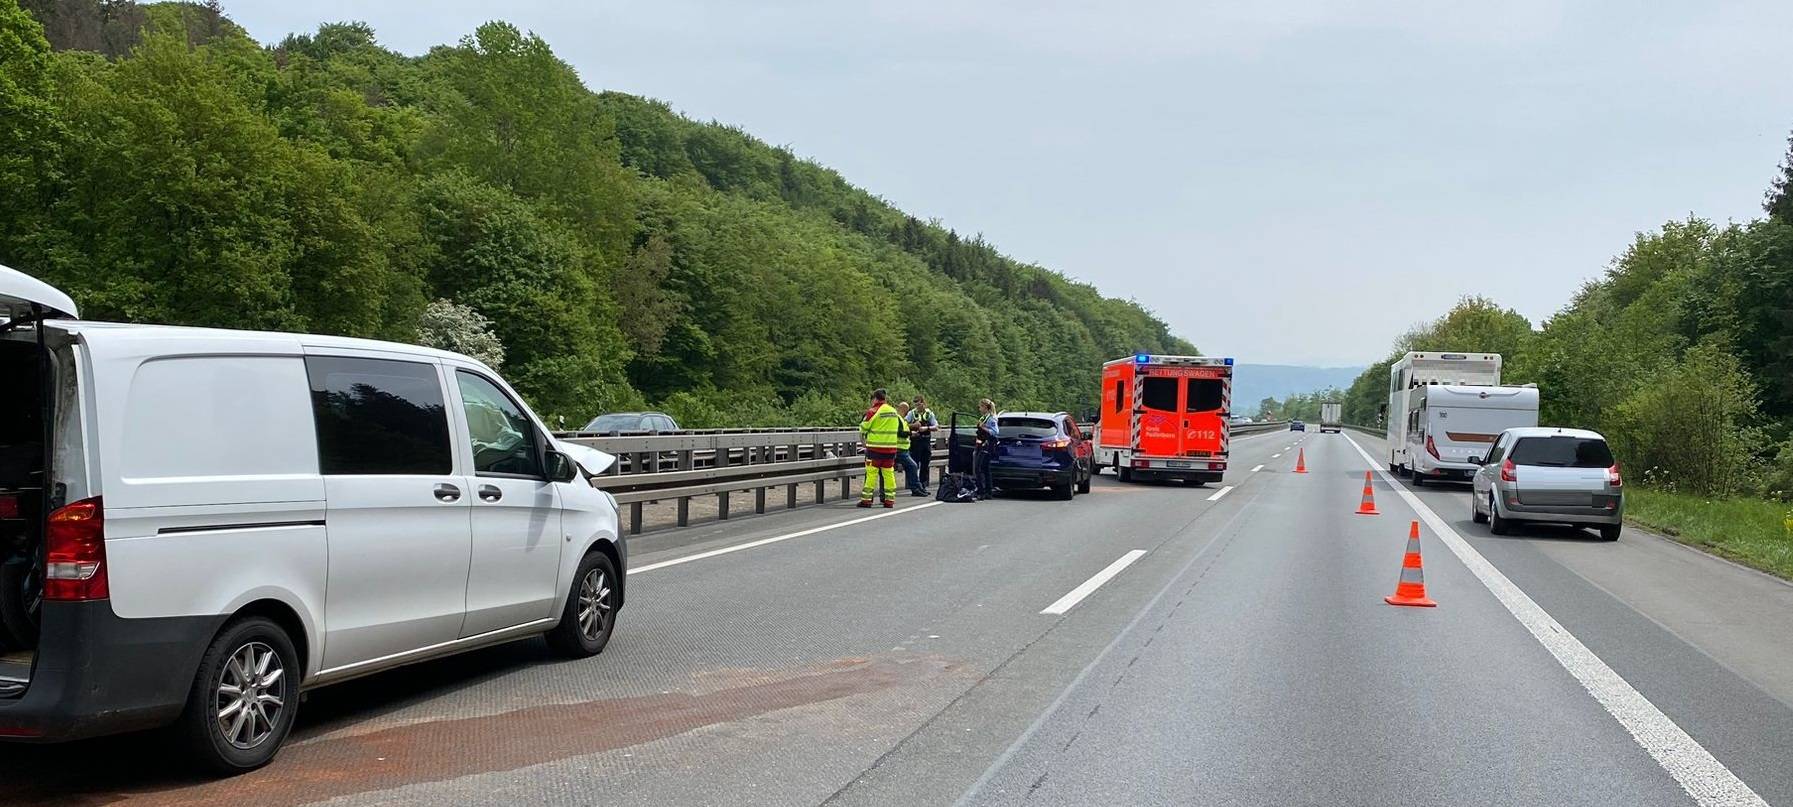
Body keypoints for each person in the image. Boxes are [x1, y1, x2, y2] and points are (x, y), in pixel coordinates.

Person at [858, 388, 904, 508]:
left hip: (875, 449)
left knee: (871, 474)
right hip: (890, 449)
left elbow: (863, 427)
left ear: (875, 399)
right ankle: (889, 500)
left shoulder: (873, 411)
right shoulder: (893, 411)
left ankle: (866, 500)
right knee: (889, 474)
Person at [907, 395, 939, 495]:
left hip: (926, 440)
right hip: (915, 441)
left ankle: (923, 486)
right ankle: (915, 487)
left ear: (923, 403)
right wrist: (914, 426)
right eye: (916, 403)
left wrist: (927, 428)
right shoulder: (912, 413)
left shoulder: (929, 413)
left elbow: (936, 426)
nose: (917, 405)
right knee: (914, 464)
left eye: (919, 403)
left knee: (925, 464)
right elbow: (904, 424)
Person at [894, 402, 924, 497]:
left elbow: (904, 429)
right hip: (899, 449)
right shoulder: (897, 418)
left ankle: (918, 488)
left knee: (911, 467)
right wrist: (911, 434)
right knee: (913, 466)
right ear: (903, 409)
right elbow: (899, 432)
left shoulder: (901, 419)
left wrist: (911, 429)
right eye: (906, 411)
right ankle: (916, 488)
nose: (907, 414)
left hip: (902, 449)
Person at [974, 398, 999, 499]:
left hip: (987, 445)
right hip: (981, 444)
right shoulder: (983, 418)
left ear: (985, 407)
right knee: (985, 468)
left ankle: (981, 491)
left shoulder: (991, 419)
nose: (979, 409)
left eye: (980, 407)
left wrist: (983, 427)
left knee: (978, 468)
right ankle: (988, 491)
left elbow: (995, 432)